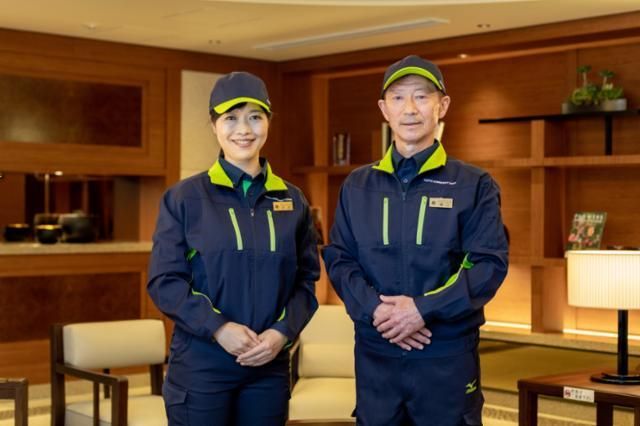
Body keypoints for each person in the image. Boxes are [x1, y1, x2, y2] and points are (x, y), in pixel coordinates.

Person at [322, 55, 509, 425]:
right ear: (384, 109)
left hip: (445, 355)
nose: (410, 109)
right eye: (398, 98)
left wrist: (423, 309)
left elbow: (487, 265)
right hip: (377, 354)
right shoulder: (357, 185)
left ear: (443, 106)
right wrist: (377, 310)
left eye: (422, 97)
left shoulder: (474, 185)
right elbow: (341, 259)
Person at [147, 71, 320, 426]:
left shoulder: (293, 200)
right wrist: (219, 327)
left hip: (268, 367)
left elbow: (306, 283)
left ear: (268, 123)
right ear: (214, 126)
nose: (244, 129)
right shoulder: (184, 198)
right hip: (202, 366)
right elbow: (165, 282)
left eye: (255, 117)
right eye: (231, 118)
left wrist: (282, 333)